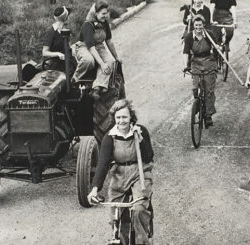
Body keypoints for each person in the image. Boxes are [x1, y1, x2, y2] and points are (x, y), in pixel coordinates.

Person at [88, 99, 154, 245]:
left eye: (124, 117)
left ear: (131, 117)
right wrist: (94, 189)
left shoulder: (140, 131)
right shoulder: (109, 137)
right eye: (118, 117)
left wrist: (141, 140)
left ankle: (142, 242)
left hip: (140, 174)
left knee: (138, 210)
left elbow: (149, 156)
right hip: (119, 175)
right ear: (114, 118)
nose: (121, 121)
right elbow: (103, 164)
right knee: (115, 215)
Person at [72, 0, 120, 100]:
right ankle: (75, 78)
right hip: (84, 46)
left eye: (107, 13)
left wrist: (116, 57)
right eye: (103, 13)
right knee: (89, 61)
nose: (106, 15)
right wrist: (102, 64)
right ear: (96, 13)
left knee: (111, 62)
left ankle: (97, 87)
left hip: (99, 46)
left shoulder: (104, 23)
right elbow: (91, 48)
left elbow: (109, 41)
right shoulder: (88, 25)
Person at [183, 15, 219, 127]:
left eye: (200, 25)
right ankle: (198, 105)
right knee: (195, 88)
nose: (198, 27)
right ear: (194, 26)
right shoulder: (189, 36)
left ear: (203, 25)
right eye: (196, 25)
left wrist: (216, 63)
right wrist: (185, 65)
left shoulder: (209, 34)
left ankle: (208, 115)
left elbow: (216, 49)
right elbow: (186, 52)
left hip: (209, 61)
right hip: (196, 62)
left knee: (209, 91)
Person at [42, 6, 73, 71]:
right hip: (56, 66)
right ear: (65, 18)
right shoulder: (51, 32)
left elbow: (69, 47)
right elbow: (44, 52)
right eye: (68, 16)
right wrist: (58, 54)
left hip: (68, 63)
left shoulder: (65, 31)